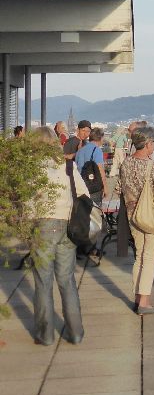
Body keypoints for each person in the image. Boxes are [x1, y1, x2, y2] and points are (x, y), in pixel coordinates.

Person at [29, 127, 85, 345]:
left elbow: (24, 203)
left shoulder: (32, 170)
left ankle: (46, 334)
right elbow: (84, 195)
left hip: (42, 225)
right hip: (67, 224)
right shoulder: (67, 166)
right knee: (67, 280)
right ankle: (76, 332)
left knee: (43, 282)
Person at [115, 127, 154, 314]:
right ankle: (145, 302)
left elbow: (118, 190)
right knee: (149, 258)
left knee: (139, 256)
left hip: (132, 214)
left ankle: (137, 298)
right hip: (150, 215)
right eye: (153, 142)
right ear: (147, 144)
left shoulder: (126, 163)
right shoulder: (150, 165)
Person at [74, 127, 107, 206]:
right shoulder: (97, 150)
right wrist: (105, 187)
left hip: (80, 186)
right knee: (95, 213)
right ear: (100, 138)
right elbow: (100, 170)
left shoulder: (80, 150)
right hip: (93, 187)